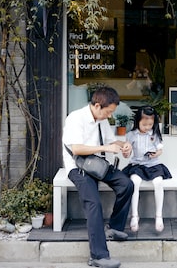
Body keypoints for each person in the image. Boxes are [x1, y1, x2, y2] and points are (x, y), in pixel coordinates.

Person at [62, 86, 134, 268]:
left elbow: (111, 142)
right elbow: (77, 149)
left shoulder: (101, 120)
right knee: (93, 203)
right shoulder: (75, 118)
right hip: (78, 167)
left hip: (98, 165)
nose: (110, 116)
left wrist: (124, 145)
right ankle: (98, 256)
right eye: (108, 112)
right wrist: (105, 149)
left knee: (126, 184)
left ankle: (114, 228)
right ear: (97, 105)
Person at [122, 105, 172, 232]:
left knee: (158, 182)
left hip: (153, 165)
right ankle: (134, 215)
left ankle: (159, 216)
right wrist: (125, 152)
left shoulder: (154, 134)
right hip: (137, 165)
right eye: (144, 124)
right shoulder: (131, 135)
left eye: (150, 124)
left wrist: (157, 153)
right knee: (135, 182)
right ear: (137, 121)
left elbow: (160, 149)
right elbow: (127, 151)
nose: (147, 127)